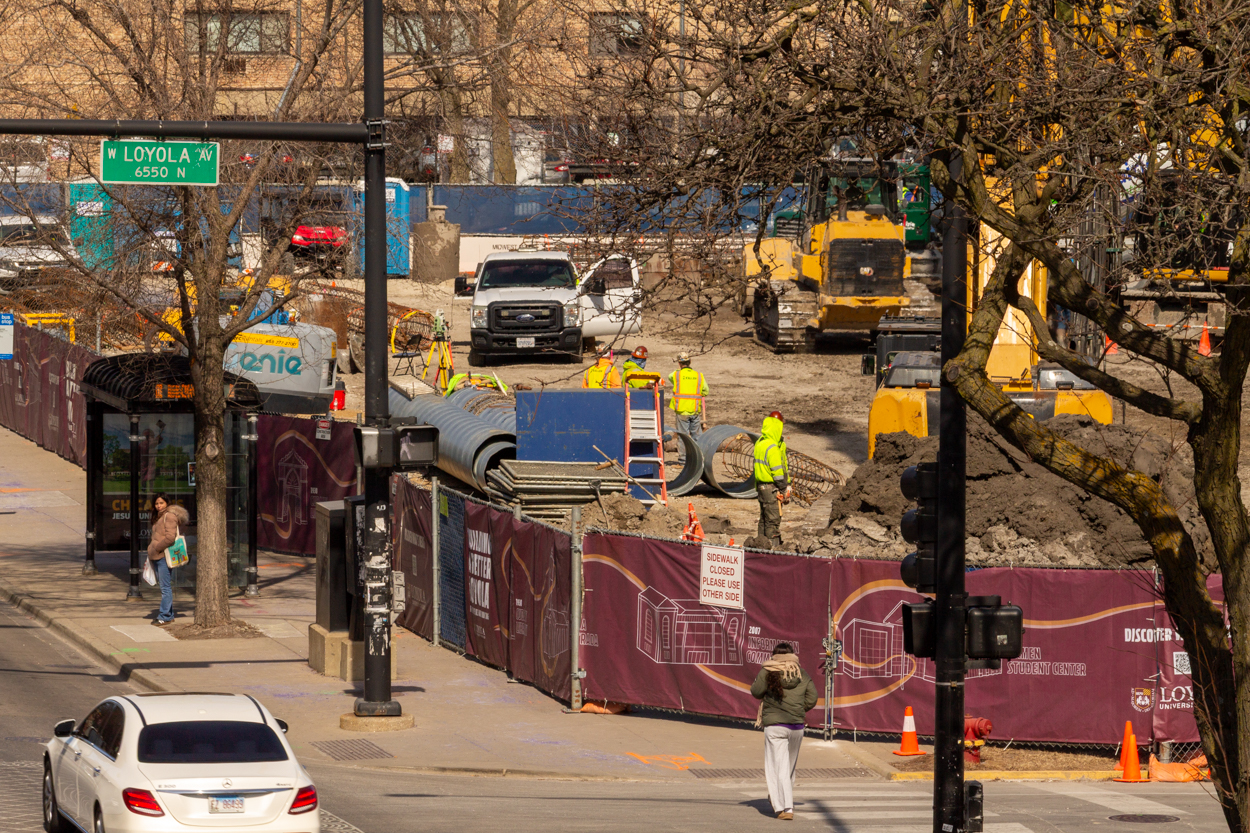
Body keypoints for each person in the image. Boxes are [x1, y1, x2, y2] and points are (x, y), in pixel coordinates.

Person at [750, 643, 817, 820]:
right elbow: (813, 698)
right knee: (788, 768)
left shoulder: (768, 670)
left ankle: (784, 808)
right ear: (793, 655)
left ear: (774, 655)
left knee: (776, 767)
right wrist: (797, 710)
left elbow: (756, 692)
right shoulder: (801, 673)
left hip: (775, 727)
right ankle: (780, 798)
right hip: (796, 727)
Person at [147, 492, 189, 625]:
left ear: (167, 503)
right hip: (158, 555)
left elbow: (170, 538)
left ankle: (164, 615)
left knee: (165, 588)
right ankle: (168, 615)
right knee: (164, 586)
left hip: (164, 555)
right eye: (156, 503)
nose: (159, 506)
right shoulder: (159, 516)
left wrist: (157, 548)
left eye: (161, 503)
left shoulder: (169, 516)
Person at [753, 413, 790, 547]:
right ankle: (772, 549)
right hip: (771, 489)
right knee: (773, 521)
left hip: (761, 488)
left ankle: (759, 546)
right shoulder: (773, 448)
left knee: (763, 519)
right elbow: (778, 473)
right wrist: (784, 488)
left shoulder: (760, 443)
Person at [667, 352, 709, 438]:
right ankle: (698, 451)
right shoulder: (698, 375)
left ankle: (683, 452)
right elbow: (706, 391)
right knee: (697, 437)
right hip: (694, 409)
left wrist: (679, 369)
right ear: (690, 361)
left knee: (683, 437)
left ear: (679, 364)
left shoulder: (676, 374)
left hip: (681, 410)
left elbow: (670, 377)